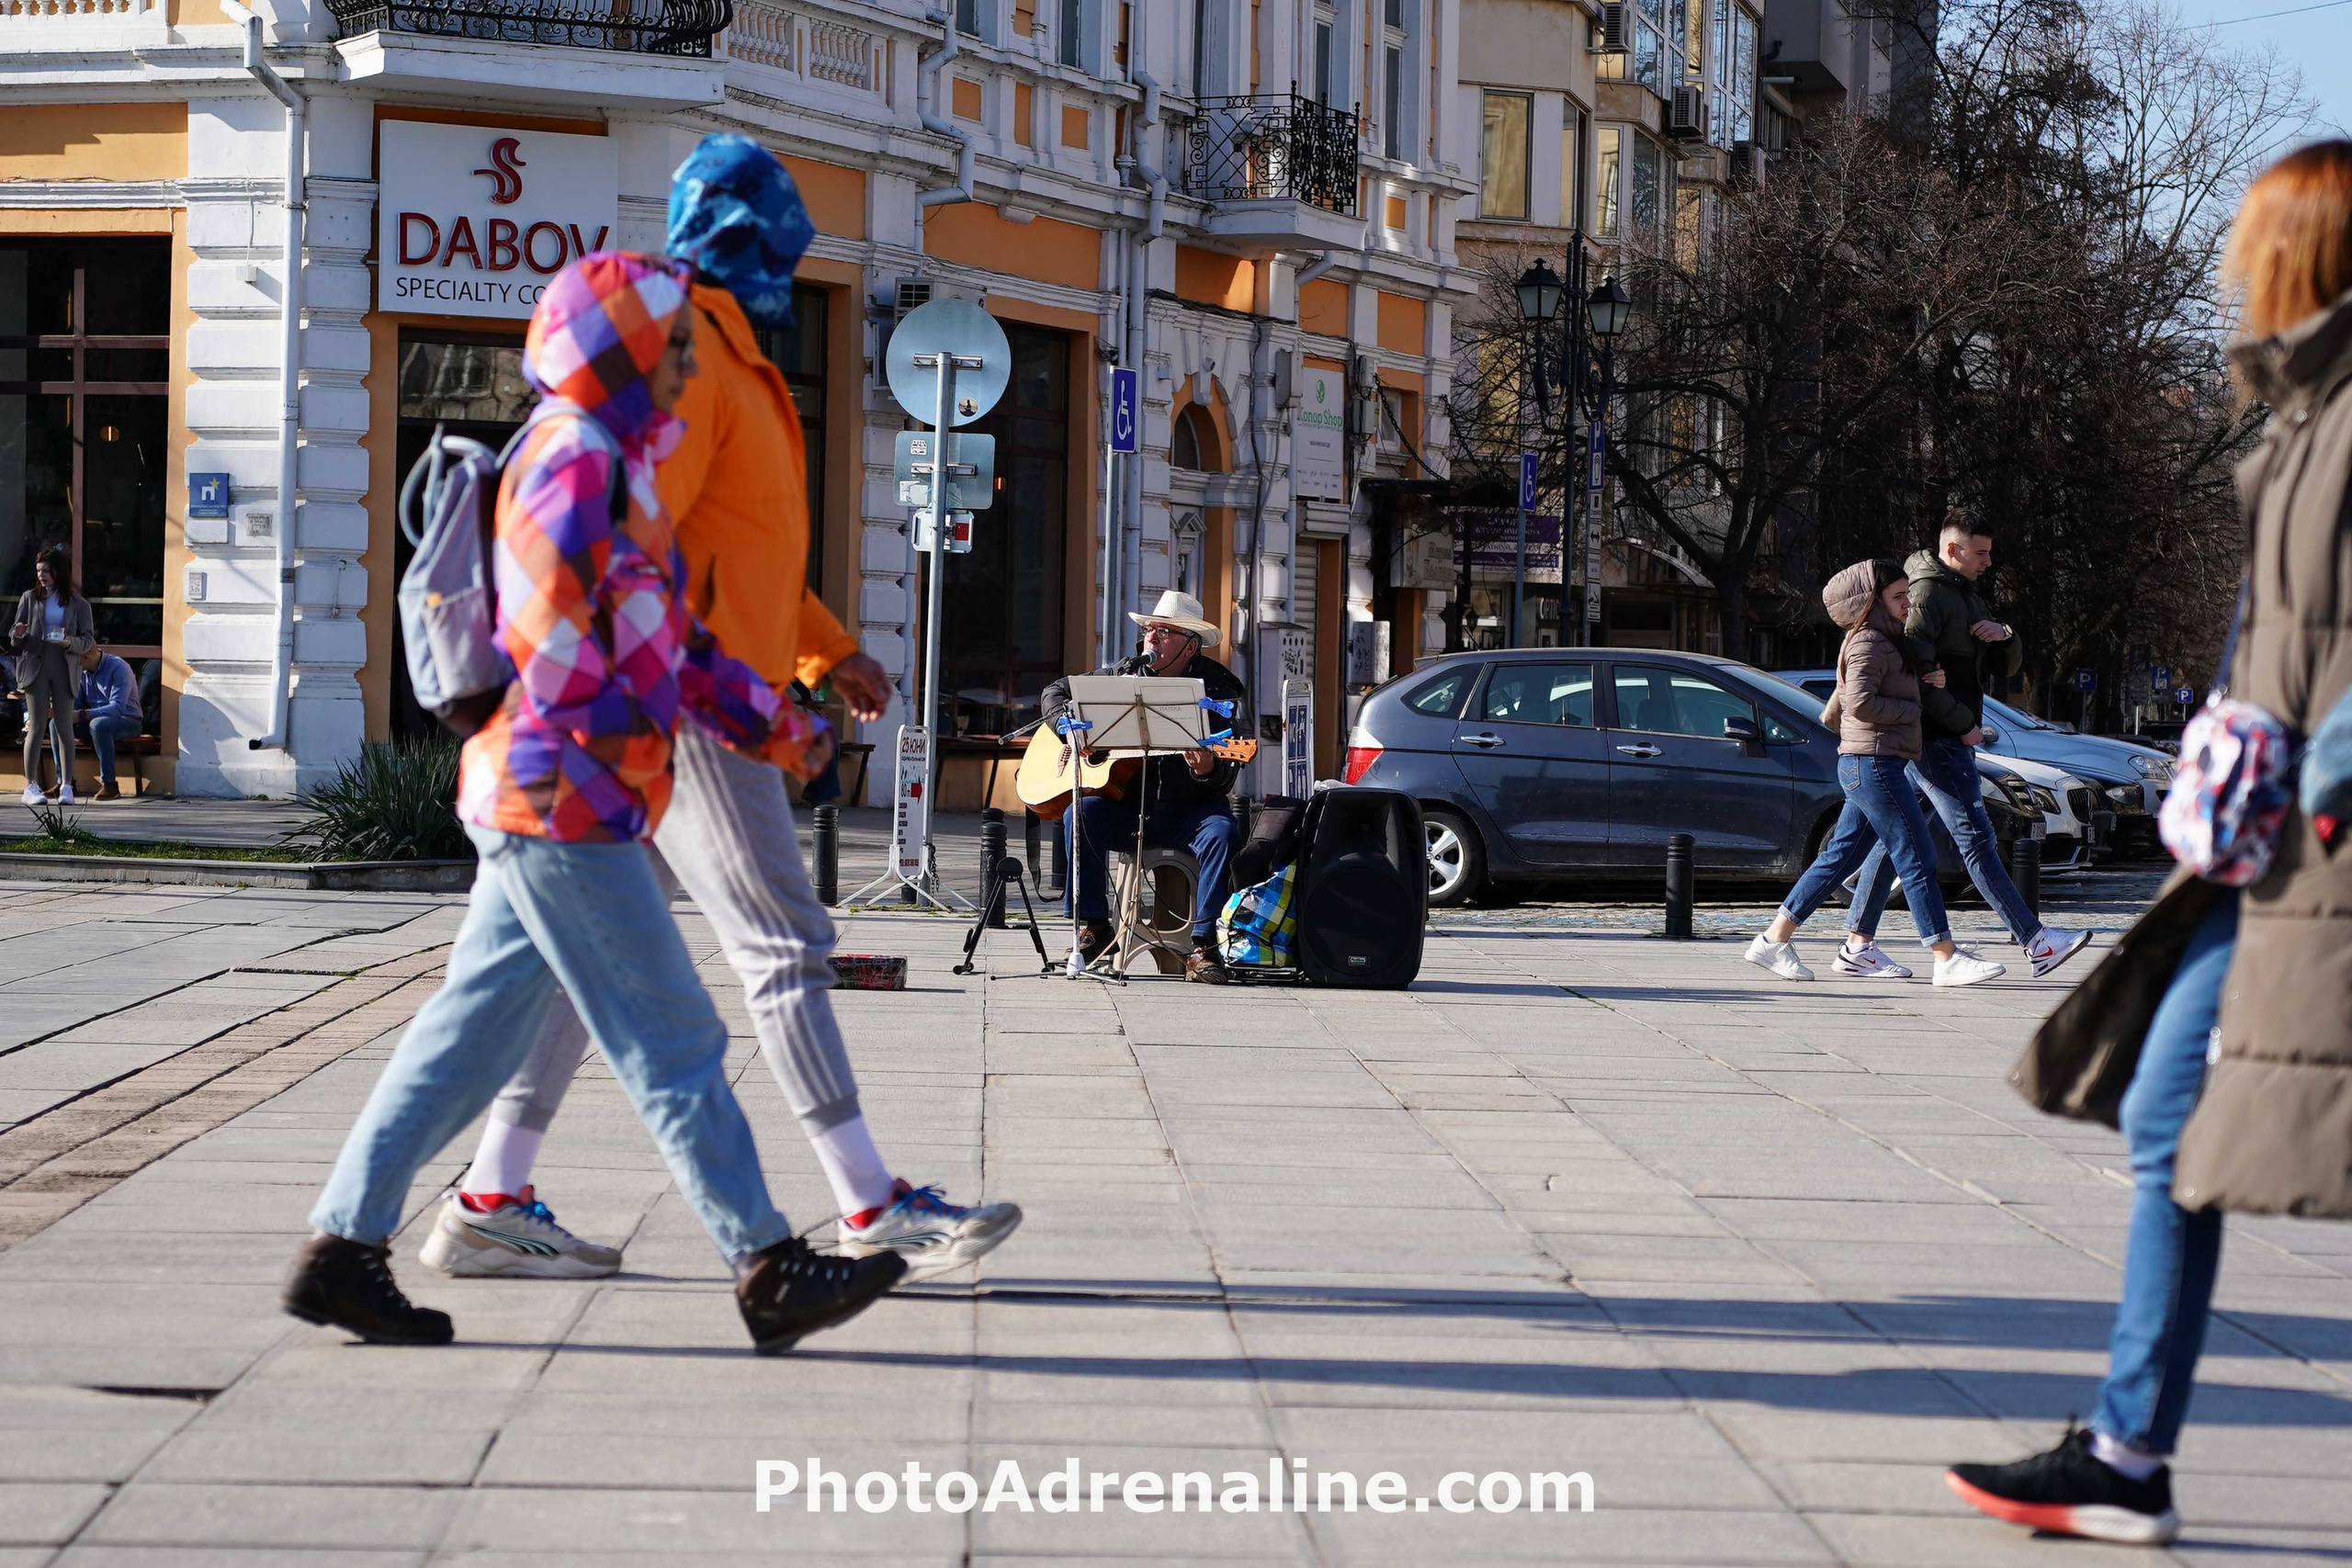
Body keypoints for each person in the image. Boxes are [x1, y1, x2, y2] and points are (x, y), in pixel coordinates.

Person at [417, 135, 1020, 1283]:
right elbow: (641, 545)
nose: (784, 276)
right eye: (775, 252)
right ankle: (866, 1201)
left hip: (674, 704)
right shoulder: (685, 353)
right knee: (782, 946)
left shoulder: (730, 354)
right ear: (739, 242)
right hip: (686, 714)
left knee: (569, 960)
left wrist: (826, 648)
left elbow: (736, 555)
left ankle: (489, 1196)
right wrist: (746, 700)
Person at [287, 251, 906, 1353]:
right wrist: (684, 722)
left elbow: (667, 636)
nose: (682, 366)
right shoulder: (573, 459)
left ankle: (341, 1252)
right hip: (560, 796)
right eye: (668, 346)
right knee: (673, 1035)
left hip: (560, 794)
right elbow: (564, 641)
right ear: (615, 349)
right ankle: (766, 1263)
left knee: (466, 1042)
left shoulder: (617, 463)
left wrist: (771, 723)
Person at [1948, 138, 2352, 1548]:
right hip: (2272, 857)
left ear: (2305, 249)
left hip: (2321, 849)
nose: (2239, 265)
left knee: (2195, 1119)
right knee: (2176, 1116)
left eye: (2257, 240)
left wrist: (2317, 783)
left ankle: (2128, 1447)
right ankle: (2128, 1450)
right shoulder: (2308, 414)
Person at [1830, 521, 2089, 981]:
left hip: (1935, 738)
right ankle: (2034, 941)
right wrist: (1964, 724)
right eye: (1981, 553)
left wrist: (2005, 635)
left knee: (1892, 845)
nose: (1989, 562)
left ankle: (1854, 944)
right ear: (1953, 549)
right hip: (1940, 740)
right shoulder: (1928, 595)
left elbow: (1998, 666)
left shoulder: (1965, 594)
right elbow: (1917, 675)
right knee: (1975, 839)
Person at [1745, 559, 2006, 988]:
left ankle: (1774, 940)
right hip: (1874, 764)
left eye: (1907, 594)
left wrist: (1928, 680)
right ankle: (1945, 957)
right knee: (1917, 856)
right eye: (1898, 597)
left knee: (1839, 857)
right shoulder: (1867, 641)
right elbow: (1861, 704)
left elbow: (1868, 693)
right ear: (1872, 603)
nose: (1907, 604)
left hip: (1871, 762)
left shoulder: (1886, 640)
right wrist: (1917, 707)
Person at [1042, 589, 1245, 984]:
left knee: (1223, 833)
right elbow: (1056, 691)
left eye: (1165, 632)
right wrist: (1064, 728)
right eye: (1151, 628)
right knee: (1078, 814)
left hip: (1191, 812)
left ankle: (1203, 947)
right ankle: (1095, 927)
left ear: (1190, 646)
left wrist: (1206, 768)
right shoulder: (1123, 674)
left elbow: (1228, 770)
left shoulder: (1219, 691)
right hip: (1128, 806)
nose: (1152, 636)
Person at [11, 547, 94, 805]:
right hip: (35, 665)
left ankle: (67, 786)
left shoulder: (79, 604)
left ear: (59, 571)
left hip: (64, 665)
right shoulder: (29, 598)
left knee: (63, 726)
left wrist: (70, 642)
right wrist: (19, 632)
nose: (42, 576)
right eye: (38, 571)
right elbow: (14, 637)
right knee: (35, 726)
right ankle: (30, 786)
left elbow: (88, 639)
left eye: (46, 570)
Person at [74, 643, 143, 801]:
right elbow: (75, 704)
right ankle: (64, 782)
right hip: (94, 721)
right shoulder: (80, 671)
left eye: (74, 658)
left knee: (98, 725)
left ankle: (109, 785)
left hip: (127, 720)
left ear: (86, 656)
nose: (72, 662)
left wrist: (82, 714)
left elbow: (117, 708)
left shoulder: (119, 667)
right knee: (56, 724)